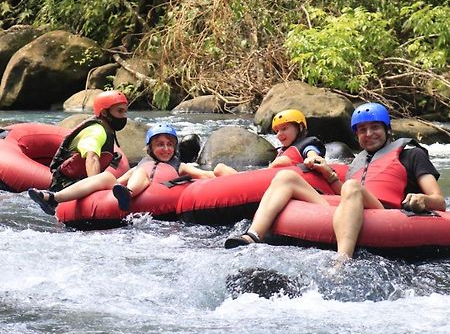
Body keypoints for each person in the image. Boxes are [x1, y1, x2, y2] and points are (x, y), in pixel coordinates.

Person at [225, 102, 446, 260]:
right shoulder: (359, 161)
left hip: (385, 212)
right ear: (356, 136)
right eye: (362, 130)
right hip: (351, 206)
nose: (369, 134)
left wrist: (423, 200)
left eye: (375, 128)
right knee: (286, 176)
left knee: (351, 186)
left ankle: (342, 260)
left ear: (387, 130)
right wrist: (329, 175)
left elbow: (439, 201)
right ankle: (253, 236)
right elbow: (348, 196)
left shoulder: (411, 155)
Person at [28, 122, 218, 215]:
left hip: (157, 193)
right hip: (126, 189)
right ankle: (53, 198)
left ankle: (129, 193)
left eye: (170, 144)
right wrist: (107, 187)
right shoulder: (142, 165)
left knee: (140, 173)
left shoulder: (180, 166)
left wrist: (218, 176)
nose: (166, 148)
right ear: (150, 148)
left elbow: (205, 175)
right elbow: (118, 181)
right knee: (107, 178)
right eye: (160, 144)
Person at [28, 90, 129, 213]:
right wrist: (97, 188)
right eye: (119, 111)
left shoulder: (106, 131)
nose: (124, 116)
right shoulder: (96, 131)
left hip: (80, 183)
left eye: (125, 111)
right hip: (66, 185)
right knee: (107, 177)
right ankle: (51, 199)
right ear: (104, 113)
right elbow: (91, 158)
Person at [214, 109, 326, 176]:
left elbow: (312, 153)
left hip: (282, 181)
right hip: (265, 178)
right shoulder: (284, 150)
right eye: (277, 131)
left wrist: (312, 158)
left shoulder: (307, 145)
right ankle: (198, 175)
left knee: (221, 170)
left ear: (300, 127)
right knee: (219, 168)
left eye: (284, 129)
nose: (279, 134)